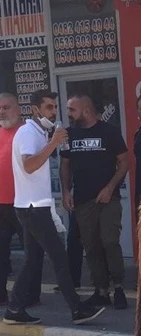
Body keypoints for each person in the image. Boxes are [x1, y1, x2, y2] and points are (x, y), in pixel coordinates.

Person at [3, 90, 105, 325]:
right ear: (35, 110)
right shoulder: (29, 133)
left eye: (55, 107)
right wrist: (54, 143)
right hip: (32, 208)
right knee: (60, 257)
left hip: (32, 206)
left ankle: (15, 308)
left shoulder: (38, 132)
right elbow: (29, 165)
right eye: (49, 107)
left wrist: (52, 141)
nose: (54, 112)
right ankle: (77, 309)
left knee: (32, 259)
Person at [60, 93, 129, 310]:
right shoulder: (68, 134)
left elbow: (125, 162)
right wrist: (65, 192)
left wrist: (110, 188)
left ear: (86, 110)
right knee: (91, 247)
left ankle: (118, 288)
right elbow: (65, 165)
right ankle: (101, 291)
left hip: (108, 199)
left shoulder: (109, 131)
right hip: (82, 201)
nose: (68, 113)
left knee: (110, 242)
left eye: (72, 109)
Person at [0, 93, 40, 307]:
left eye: (6, 107)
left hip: (24, 203)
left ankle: (31, 295)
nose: (2, 111)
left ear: (18, 108)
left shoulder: (26, 133)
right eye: (0, 108)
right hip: (1, 204)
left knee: (31, 252)